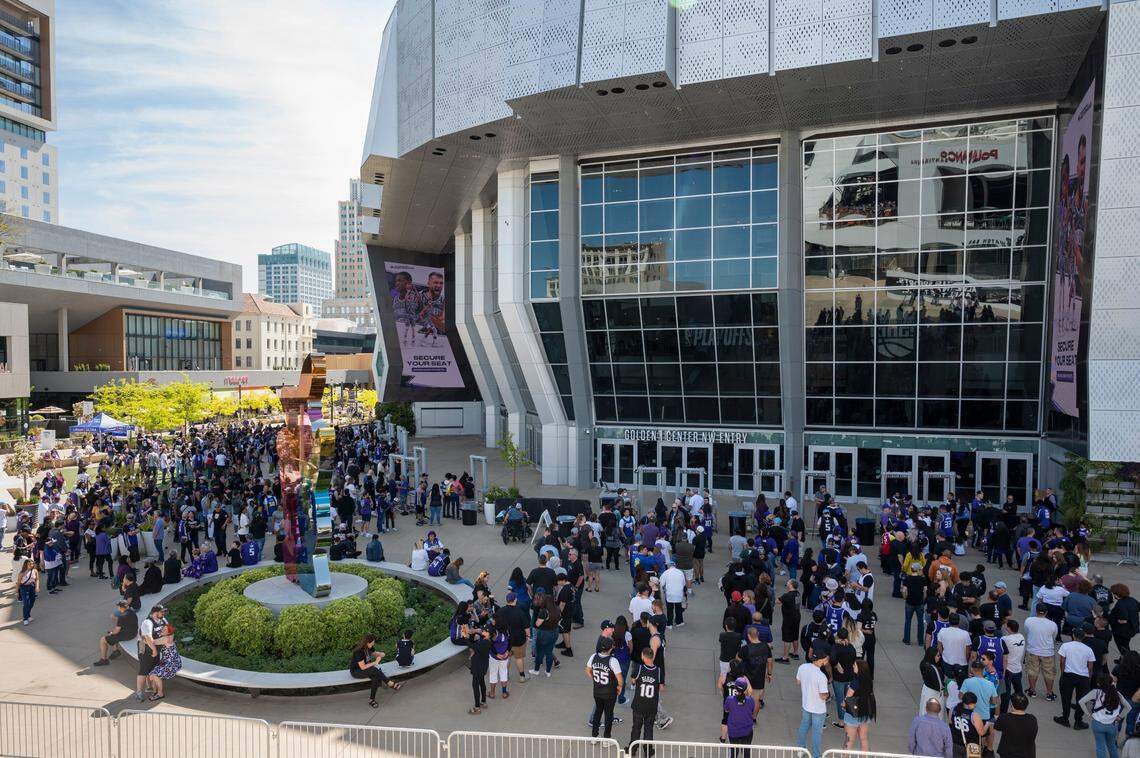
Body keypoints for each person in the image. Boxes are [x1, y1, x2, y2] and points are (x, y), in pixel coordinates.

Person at [1055, 626, 1096, 729]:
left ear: (1073, 635)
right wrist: (1089, 677)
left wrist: (1063, 672)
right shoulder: (1088, 649)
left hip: (1068, 675)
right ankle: (1078, 721)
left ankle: (1065, 718)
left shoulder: (1066, 646)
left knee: (1066, 697)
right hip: (1083, 677)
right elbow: (1090, 666)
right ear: (1084, 637)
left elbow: (1062, 661)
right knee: (1081, 699)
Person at [1080, 673, 1125, 758]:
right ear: (1111, 682)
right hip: (1112, 724)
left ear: (1099, 684)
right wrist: (1120, 716)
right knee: (1112, 747)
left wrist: (1088, 714)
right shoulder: (1117, 694)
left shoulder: (1095, 692)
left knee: (1100, 747)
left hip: (1098, 723)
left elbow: (1081, 702)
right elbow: (1128, 707)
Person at [349, 634, 401, 708]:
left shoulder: (370, 647)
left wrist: (381, 654)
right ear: (367, 643)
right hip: (356, 671)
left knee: (375, 677)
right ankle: (390, 683)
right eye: (372, 642)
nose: (373, 644)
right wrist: (375, 662)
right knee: (375, 670)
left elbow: (375, 654)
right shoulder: (359, 652)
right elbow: (363, 667)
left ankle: (371, 700)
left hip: (368, 669)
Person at [796, 650, 831, 758]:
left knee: (804, 726)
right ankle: (816, 755)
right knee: (817, 733)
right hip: (818, 709)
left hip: (806, 704)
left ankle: (800, 749)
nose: (827, 661)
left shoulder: (803, 667)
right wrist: (828, 695)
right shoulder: (821, 676)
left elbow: (798, 682)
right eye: (826, 659)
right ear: (821, 660)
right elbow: (823, 696)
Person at [627, 645, 662, 752]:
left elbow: (633, 681)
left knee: (636, 728)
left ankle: (632, 749)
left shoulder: (639, 668)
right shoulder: (658, 670)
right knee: (649, 728)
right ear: (652, 657)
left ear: (643, 657)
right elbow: (661, 687)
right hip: (651, 706)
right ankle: (648, 750)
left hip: (638, 704)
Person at [586, 636, 623, 738]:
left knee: (598, 712)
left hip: (597, 691)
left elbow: (588, 670)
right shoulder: (613, 661)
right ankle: (606, 738)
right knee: (608, 715)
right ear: (610, 648)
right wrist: (619, 687)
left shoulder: (593, 656)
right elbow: (620, 678)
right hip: (610, 692)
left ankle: (594, 736)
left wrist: (595, 678)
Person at [1024, 604, 1058, 701]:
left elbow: (1027, 632)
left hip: (1032, 650)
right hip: (1048, 652)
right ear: (1046, 612)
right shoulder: (1052, 624)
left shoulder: (1029, 621)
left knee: (1032, 671)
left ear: (1036, 610)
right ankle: (1049, 693)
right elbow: (1053, 637)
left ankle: (1032, 690)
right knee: (1049, 673)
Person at [843, 659, 876, 751]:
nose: (853, 666)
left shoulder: (855, 682)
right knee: (864, 739)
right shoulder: (868, 681)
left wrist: (843, 703)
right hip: (865, 714)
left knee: (848, 741)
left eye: (854, 665)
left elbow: (848, 697)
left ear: (860, 668)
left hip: (852, 715)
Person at [94, 599, 139, 666]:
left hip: (128, 635)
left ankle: (104, 660)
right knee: (113, 633)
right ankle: (115, 651)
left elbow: (116, 631)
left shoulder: (121, 617)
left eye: (118, 606)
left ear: (121, 607)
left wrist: (111, 633)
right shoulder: (132, 612)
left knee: (103, 639)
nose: (118, 608)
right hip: (134, 632)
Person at [994, 692, 1037, 758]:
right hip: (1027, 754)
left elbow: (997, 726)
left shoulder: (1005, 718)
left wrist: (997, 708)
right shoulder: (1032, 719)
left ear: (1012, 705)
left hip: (1008, 753)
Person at [722, 677, 756, 754]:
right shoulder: (750, 700)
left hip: (733, 731)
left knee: (734, 753)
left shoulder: (729, 700)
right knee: (746, 753)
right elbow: (752, 711)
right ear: (745, 688)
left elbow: (726, 710)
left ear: (735, 687)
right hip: (747, 731)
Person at [951, 691, 987, 758]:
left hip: (955, 743)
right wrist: (987, 724)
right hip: (971, 746)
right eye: (974, 703)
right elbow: (981, 733)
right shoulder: (974, 715)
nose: (975, 705)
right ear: (970, 704)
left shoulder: (953, 709)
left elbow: (950, 721)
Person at [468, 625, 491, 714]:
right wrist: (476, 632)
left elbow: (470, 644)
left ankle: (477, 707)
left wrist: (468, 635)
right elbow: (480, 635)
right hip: (483, 666)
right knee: (482, 683)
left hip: (478, 667)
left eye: (484, 631)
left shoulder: (482, 644)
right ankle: (483, 702)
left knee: (475, 685)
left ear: (488, 634)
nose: (482, 632)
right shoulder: (488, 641)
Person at [659, 563, 686, 628]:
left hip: (669, 594)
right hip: (679, 593)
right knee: (678, 607)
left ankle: (669, 624)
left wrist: (662, 593)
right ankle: (679, 622)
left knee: (669, 609)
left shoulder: (666, 572)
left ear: (668, 566)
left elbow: (661, 583)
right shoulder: (680, 572)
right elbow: (684, 583)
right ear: (675, 566)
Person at [15, 558, 37, 625]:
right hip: (24, 588)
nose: (31, 565)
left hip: (32, 587)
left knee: (32, 602)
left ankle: (28, 615)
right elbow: (18, 583)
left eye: (32, 564)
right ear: (26, 565)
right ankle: (25, 618)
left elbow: (37, 579)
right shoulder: (22, 573)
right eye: (30, 564)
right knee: (26, 603)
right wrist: (17, 592)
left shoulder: (35, 571)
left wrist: (37, 586)